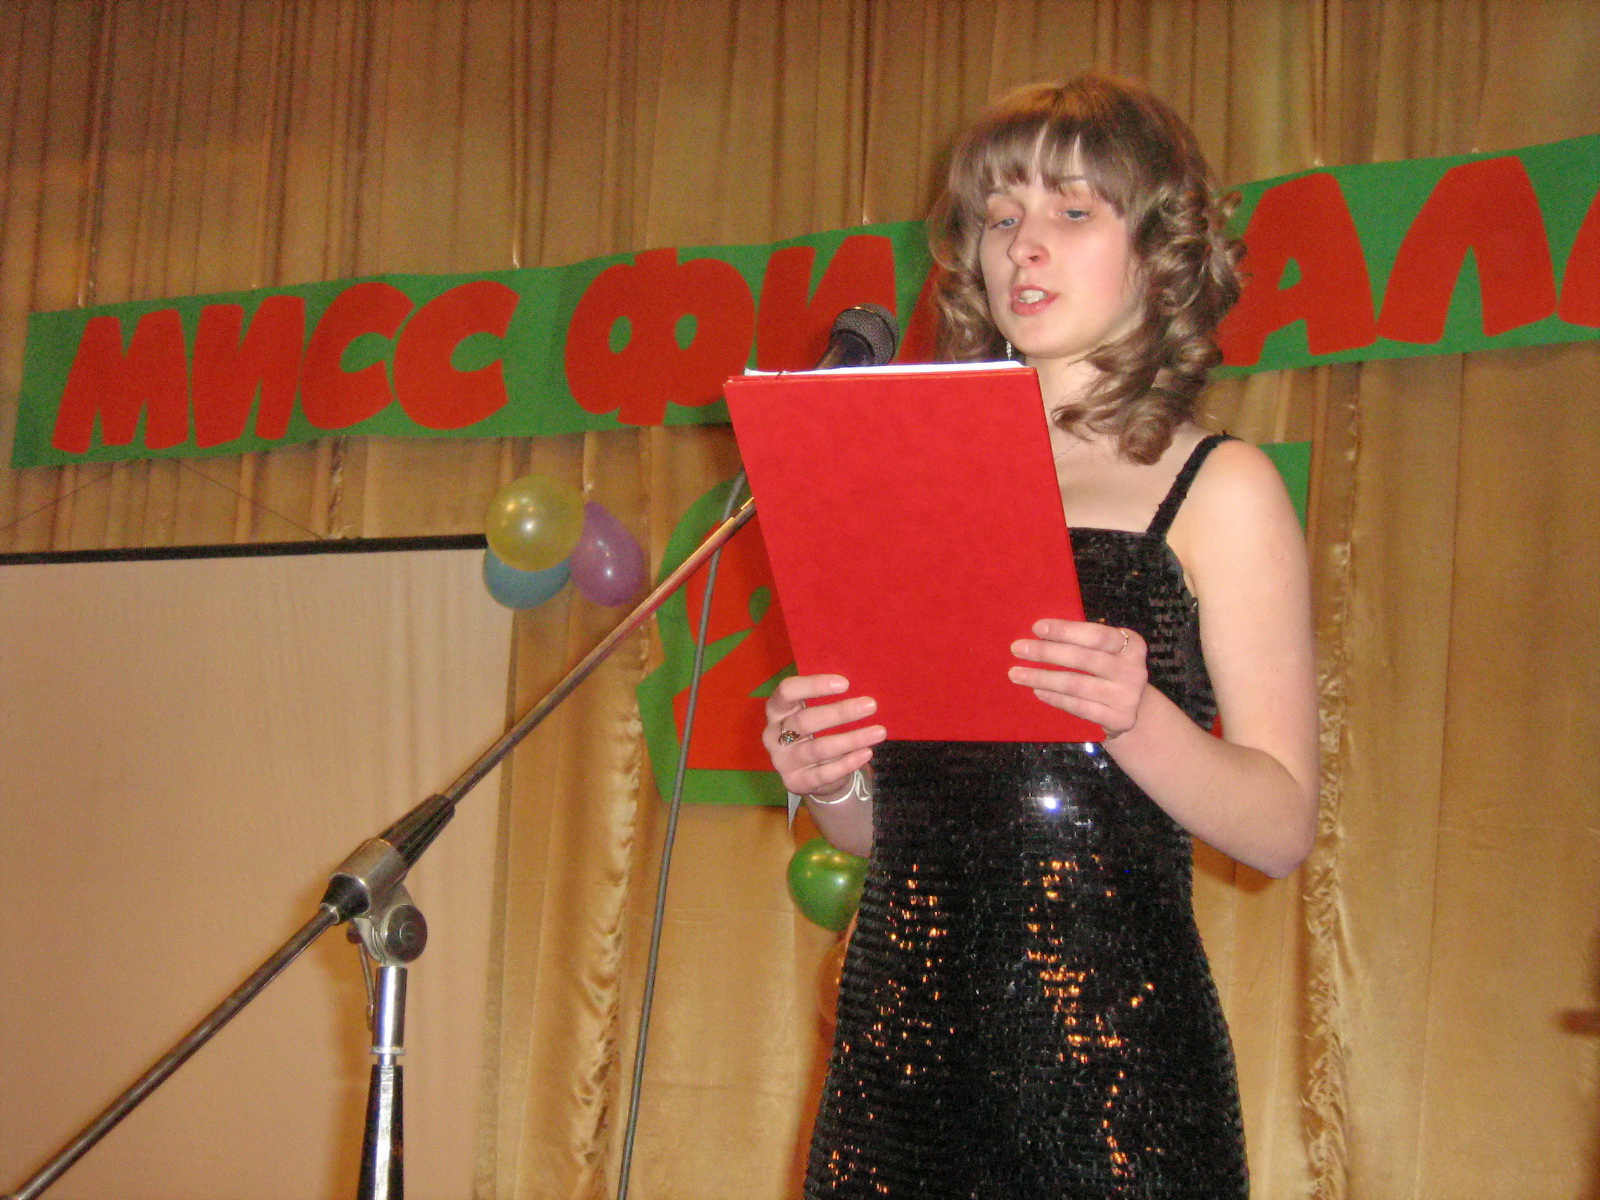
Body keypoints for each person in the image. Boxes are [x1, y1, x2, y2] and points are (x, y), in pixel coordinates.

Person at [761, 75, 1318, 1199]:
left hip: (1112, 1064)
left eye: (1072, 211)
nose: (1024, 245)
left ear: (1159, 248)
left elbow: (1281, 827)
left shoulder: (1220, 487)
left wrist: (1136, 716)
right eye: (998, 215)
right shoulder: (907, 480)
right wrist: (827, 773)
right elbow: (889, 831)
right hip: (899, 1057)